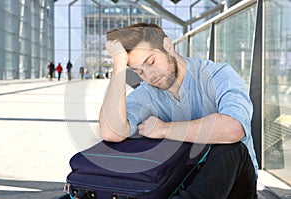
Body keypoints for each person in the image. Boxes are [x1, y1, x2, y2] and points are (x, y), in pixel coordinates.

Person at [99, 23, 259, 198]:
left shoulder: (218, 75)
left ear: (168, 46)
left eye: (151, 62)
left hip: (234, 185)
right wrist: (119, 66)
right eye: (139, 71)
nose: (150, 76)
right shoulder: (147, 93)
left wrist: (164, 129)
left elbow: (232, 128)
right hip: (181, 181)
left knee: (230, 147)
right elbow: (111, 132)